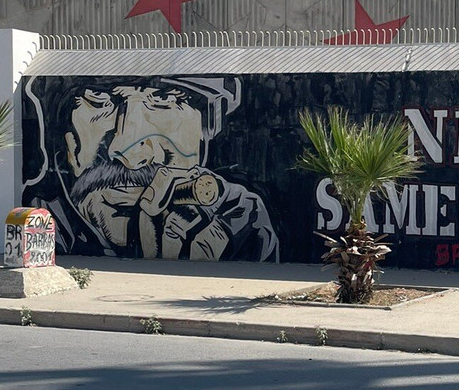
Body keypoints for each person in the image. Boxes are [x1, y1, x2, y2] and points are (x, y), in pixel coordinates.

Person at [22, 76, 279, 262]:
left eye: (163, 100)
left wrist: (250, 241)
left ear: (207, 129)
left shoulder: (239, 217)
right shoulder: (35, 223)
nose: (127, 152)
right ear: (66, 139)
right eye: (100, 100)